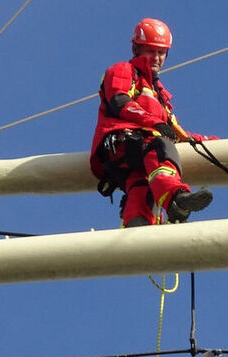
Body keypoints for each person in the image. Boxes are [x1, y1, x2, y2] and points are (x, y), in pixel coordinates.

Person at [90, 18, 216, 227]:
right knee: (160, 148)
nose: (156, 58)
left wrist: (209, 142)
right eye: (151, 51)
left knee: (141, 187)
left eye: (161, 52)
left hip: (135, 153)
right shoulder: (123, 70)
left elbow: (178, 133)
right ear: (136, 48)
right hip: (122, 141)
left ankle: (136, 232)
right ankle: (176, 198)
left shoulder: (160, 97)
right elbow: (119, 101)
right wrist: (154, 124)